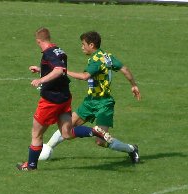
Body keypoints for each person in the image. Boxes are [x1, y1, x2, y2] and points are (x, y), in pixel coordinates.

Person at [43, 31, 141, 163]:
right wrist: (133, 85)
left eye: (83, 44)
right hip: (90, 101)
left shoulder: (96, 61)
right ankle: (47, 148)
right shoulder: (107, 56)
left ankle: (131, 149)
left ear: (91, 44)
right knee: (67, 126)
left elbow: (84, 77)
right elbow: (124, 68)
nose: (81, 47)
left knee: (101, 141)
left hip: (104, 104)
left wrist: (64, 71)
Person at [16, 27, 106, 171]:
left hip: (50, 101)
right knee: (67, 133)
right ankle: (93, 131)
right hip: (64, 98)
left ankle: (31, 166)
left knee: (36, 133)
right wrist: (41, 70)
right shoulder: (59, 50)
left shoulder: (48, 53)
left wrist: (41, 80)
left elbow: (58, 70)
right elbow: (60, 69)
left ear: (38, 41)